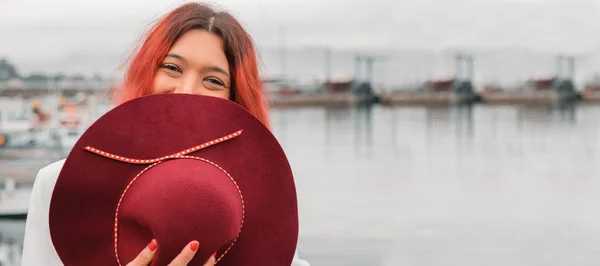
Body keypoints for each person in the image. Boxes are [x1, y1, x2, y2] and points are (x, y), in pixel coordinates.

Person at [21, 2, 310, 266]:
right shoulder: (58, 183)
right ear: (146, 72)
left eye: (213, 80)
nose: (186, 90)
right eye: (172, 68)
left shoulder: (260, 196)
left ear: (235, 100)